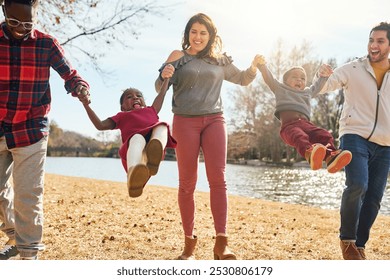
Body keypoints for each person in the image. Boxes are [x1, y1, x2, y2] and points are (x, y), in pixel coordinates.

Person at [155, 13, 264, 260]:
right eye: (194, 31)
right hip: (184, 122)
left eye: (203, 33)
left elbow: (243, 79)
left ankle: (221, 243)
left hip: (215, 119)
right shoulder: (177, 57)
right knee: (187, 184)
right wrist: (164, 75)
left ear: (211, 36)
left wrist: (254, 67)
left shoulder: (219, 61)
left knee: (218, 179)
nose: (198, 37)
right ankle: (189, 246)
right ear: (187, 34)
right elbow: (159, 86)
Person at [0, 0, 90, 260]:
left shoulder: (45, 43)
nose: (21, 29)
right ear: (4, 11)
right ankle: (16, 237)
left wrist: (80, 87)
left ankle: (29, 256)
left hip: (30, 128)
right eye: (15, 22)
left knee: (28, 194)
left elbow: (71, 74)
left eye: (28, 24)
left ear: (36, 16)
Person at [314, 21, 390, 260]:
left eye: (380, 41)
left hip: (386, 143)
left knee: (375, 198)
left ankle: (360, 244)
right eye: (371, 40)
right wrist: (321, 76)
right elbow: (323, 87)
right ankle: (347, 241)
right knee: (357, 184)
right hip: (354, 134)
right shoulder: (354, 68)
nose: (373, 45)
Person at [82, 79, 176, 198]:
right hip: (136, 153)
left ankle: (154, 153)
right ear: (122, 107)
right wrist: (86, 105)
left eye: (139, 95)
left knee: (162, 126)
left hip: (151, 149)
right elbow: (100, 125)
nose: (135, 98)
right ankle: (133, 173)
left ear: (144, 102)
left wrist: (167, 78)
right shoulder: (122, 116)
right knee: (137, 138)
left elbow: (161, 94)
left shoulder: (150, 110)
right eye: (129, 97)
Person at [257, 56, 352, 172]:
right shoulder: (280, 88)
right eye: (295, 77)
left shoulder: (307, 92)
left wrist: (324, 76)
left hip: (307, 125)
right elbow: (269, 78)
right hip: (289, 127)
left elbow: (317, 87)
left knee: (324, 134)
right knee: (299, 136)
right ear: (285, 81)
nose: (299, 80)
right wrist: (261, 66)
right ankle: (309, 153)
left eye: (302, 78)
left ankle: (331, 157)